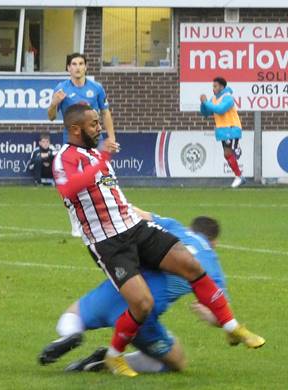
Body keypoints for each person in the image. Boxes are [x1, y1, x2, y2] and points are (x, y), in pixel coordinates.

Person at [51, 104, 263, 377]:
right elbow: (68, 189)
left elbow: (114, 198)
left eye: (98, 122)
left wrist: (103, 162)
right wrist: (103, 160)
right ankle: (114, 357)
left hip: (135, 228)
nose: (99, 128)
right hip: (109, 242)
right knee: (142, 304)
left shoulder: (94, 154)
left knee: (189, 263)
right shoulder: (65, 158)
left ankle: (232, 327)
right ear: (75, 129)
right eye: (93, 124)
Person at [39, 211, 265, 374]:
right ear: (214, 242)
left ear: (190, 229)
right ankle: (106, 361)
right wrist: (212, 319)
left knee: (74, 314)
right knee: (177, 360)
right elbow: (218, 308)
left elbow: (139, 213)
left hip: (120, 288)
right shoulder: (212, 264)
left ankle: (70, 334)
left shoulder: (174, 228)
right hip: (142, 314)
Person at [48, 52, 116, 237]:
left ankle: (104, 218)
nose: (77, 67)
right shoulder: (61, 89)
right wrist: (54, 104)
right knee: (73, 184)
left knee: (101, 179)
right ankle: (76, 220)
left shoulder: (96, 88)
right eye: (73, 64)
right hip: (71, 143)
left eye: (80, 64)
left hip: (95, 142)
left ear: (86, 67)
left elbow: (105, 113)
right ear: (68, 68)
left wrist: (111, 137)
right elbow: (51, 116)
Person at [200, 77, 245, 188]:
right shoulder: (214, 99)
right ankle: (239, 176)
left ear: (222, 87)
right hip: (223, 131)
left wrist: (206, 102)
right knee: (227, 155)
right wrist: (203, 104)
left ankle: (236, 150)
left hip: (231, 129)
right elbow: (206, 113)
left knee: (230, 152)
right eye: (213, 86)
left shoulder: (228, 98)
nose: (213, 89)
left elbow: (220, 110)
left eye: (215, 86)